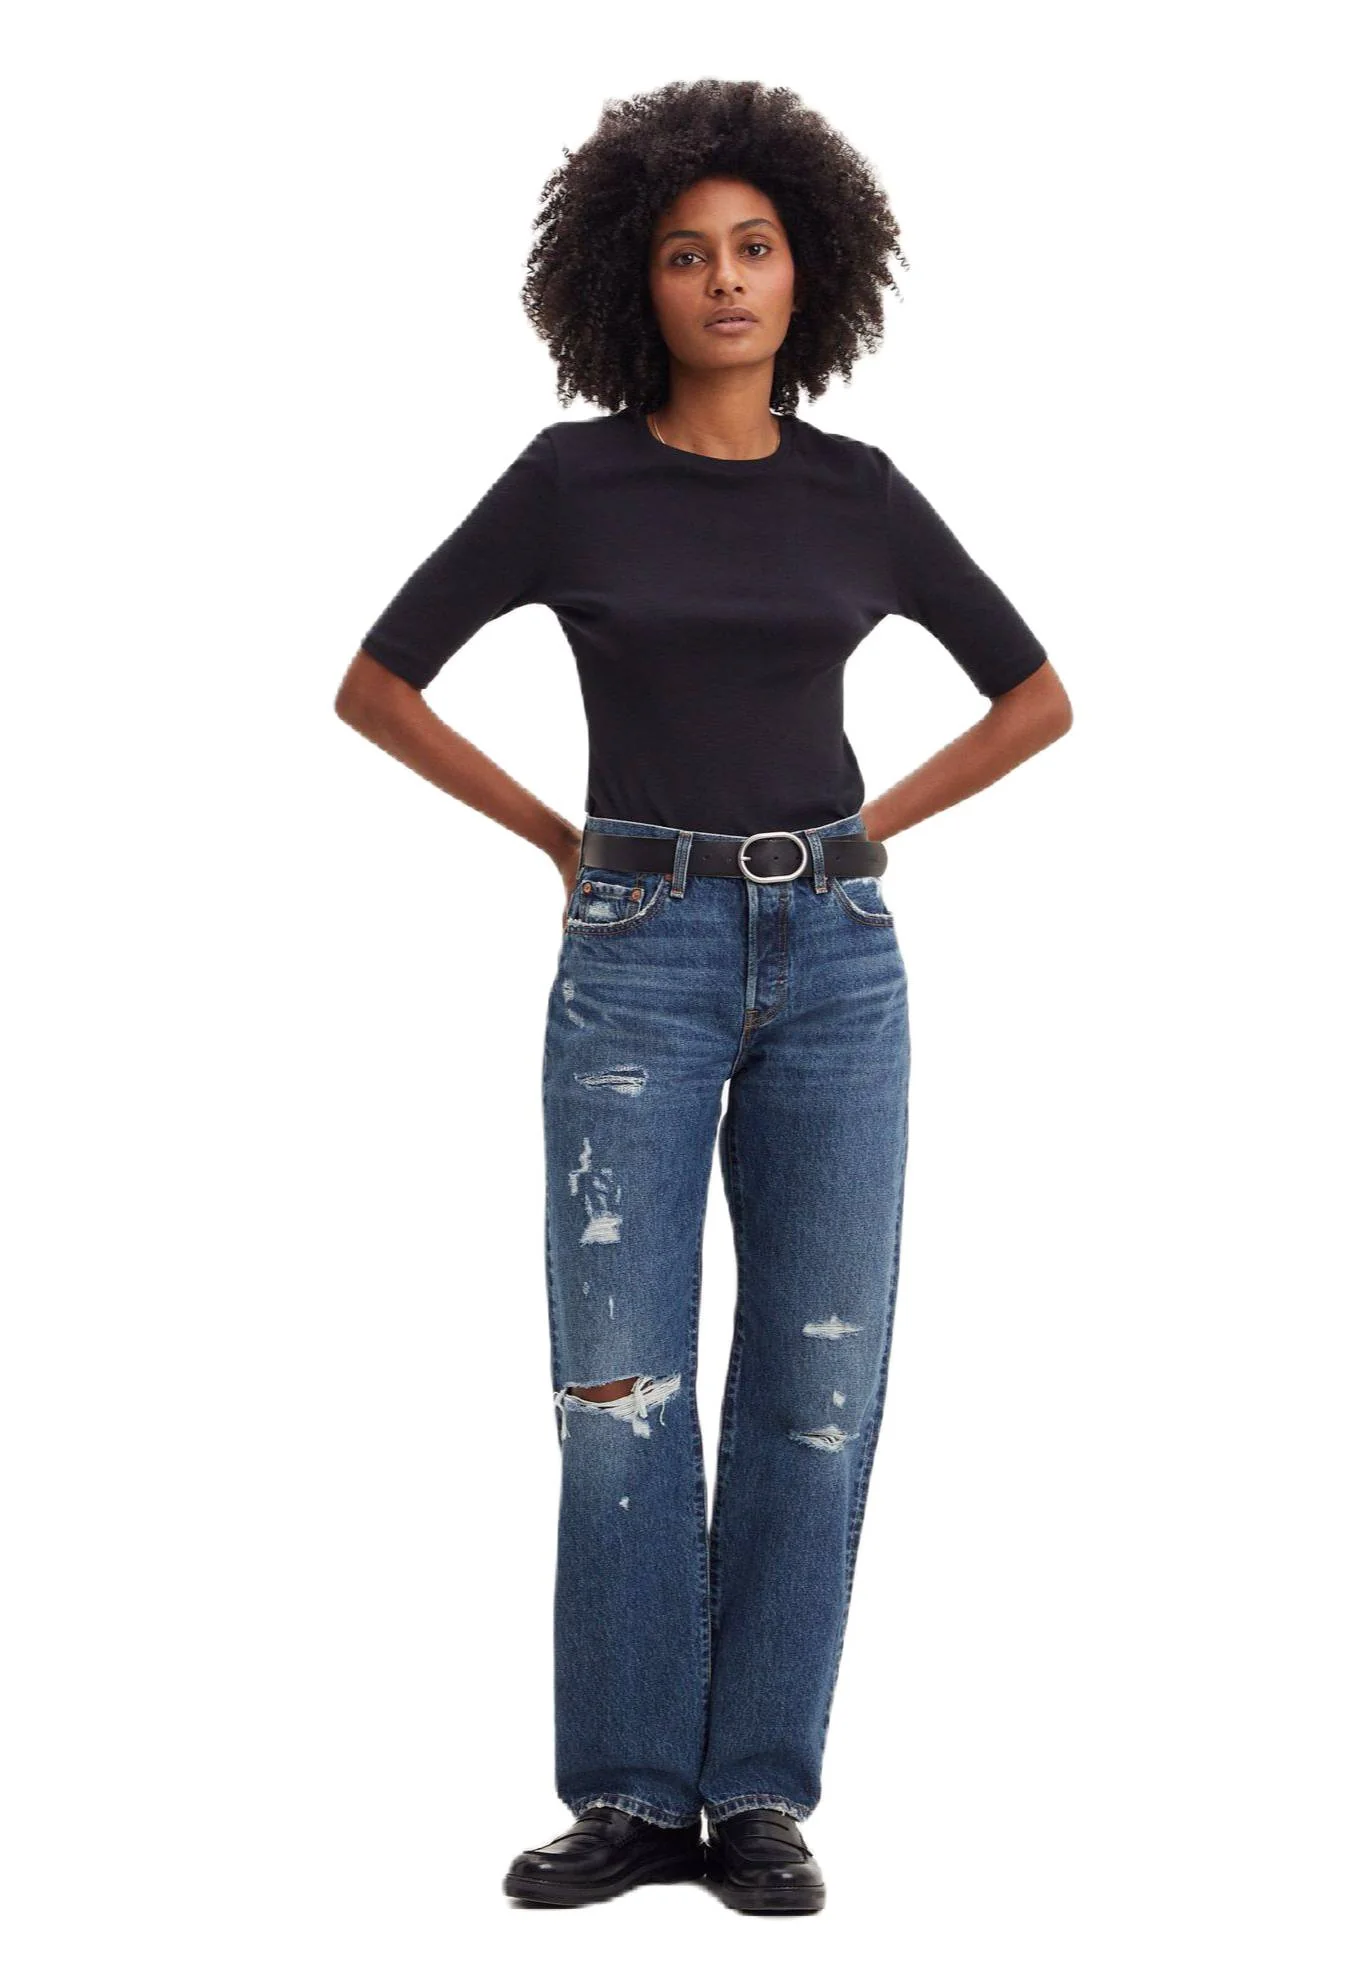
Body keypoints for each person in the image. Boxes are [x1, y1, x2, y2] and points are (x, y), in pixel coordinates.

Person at [335, 78, 1072, 1915]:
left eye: (753, 248)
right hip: (637, 954)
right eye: (685, 254)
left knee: (818, 1389)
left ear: (809, 273)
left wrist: (869, 830)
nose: (724, 280)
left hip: (836, 963)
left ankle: (754, 1797)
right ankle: (628, 1793)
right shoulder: (568, 482)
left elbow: (1035, 696)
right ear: (631, 282)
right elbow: (377, 682)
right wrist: (556, 840)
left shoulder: (860, 495)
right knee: (618, 1387)